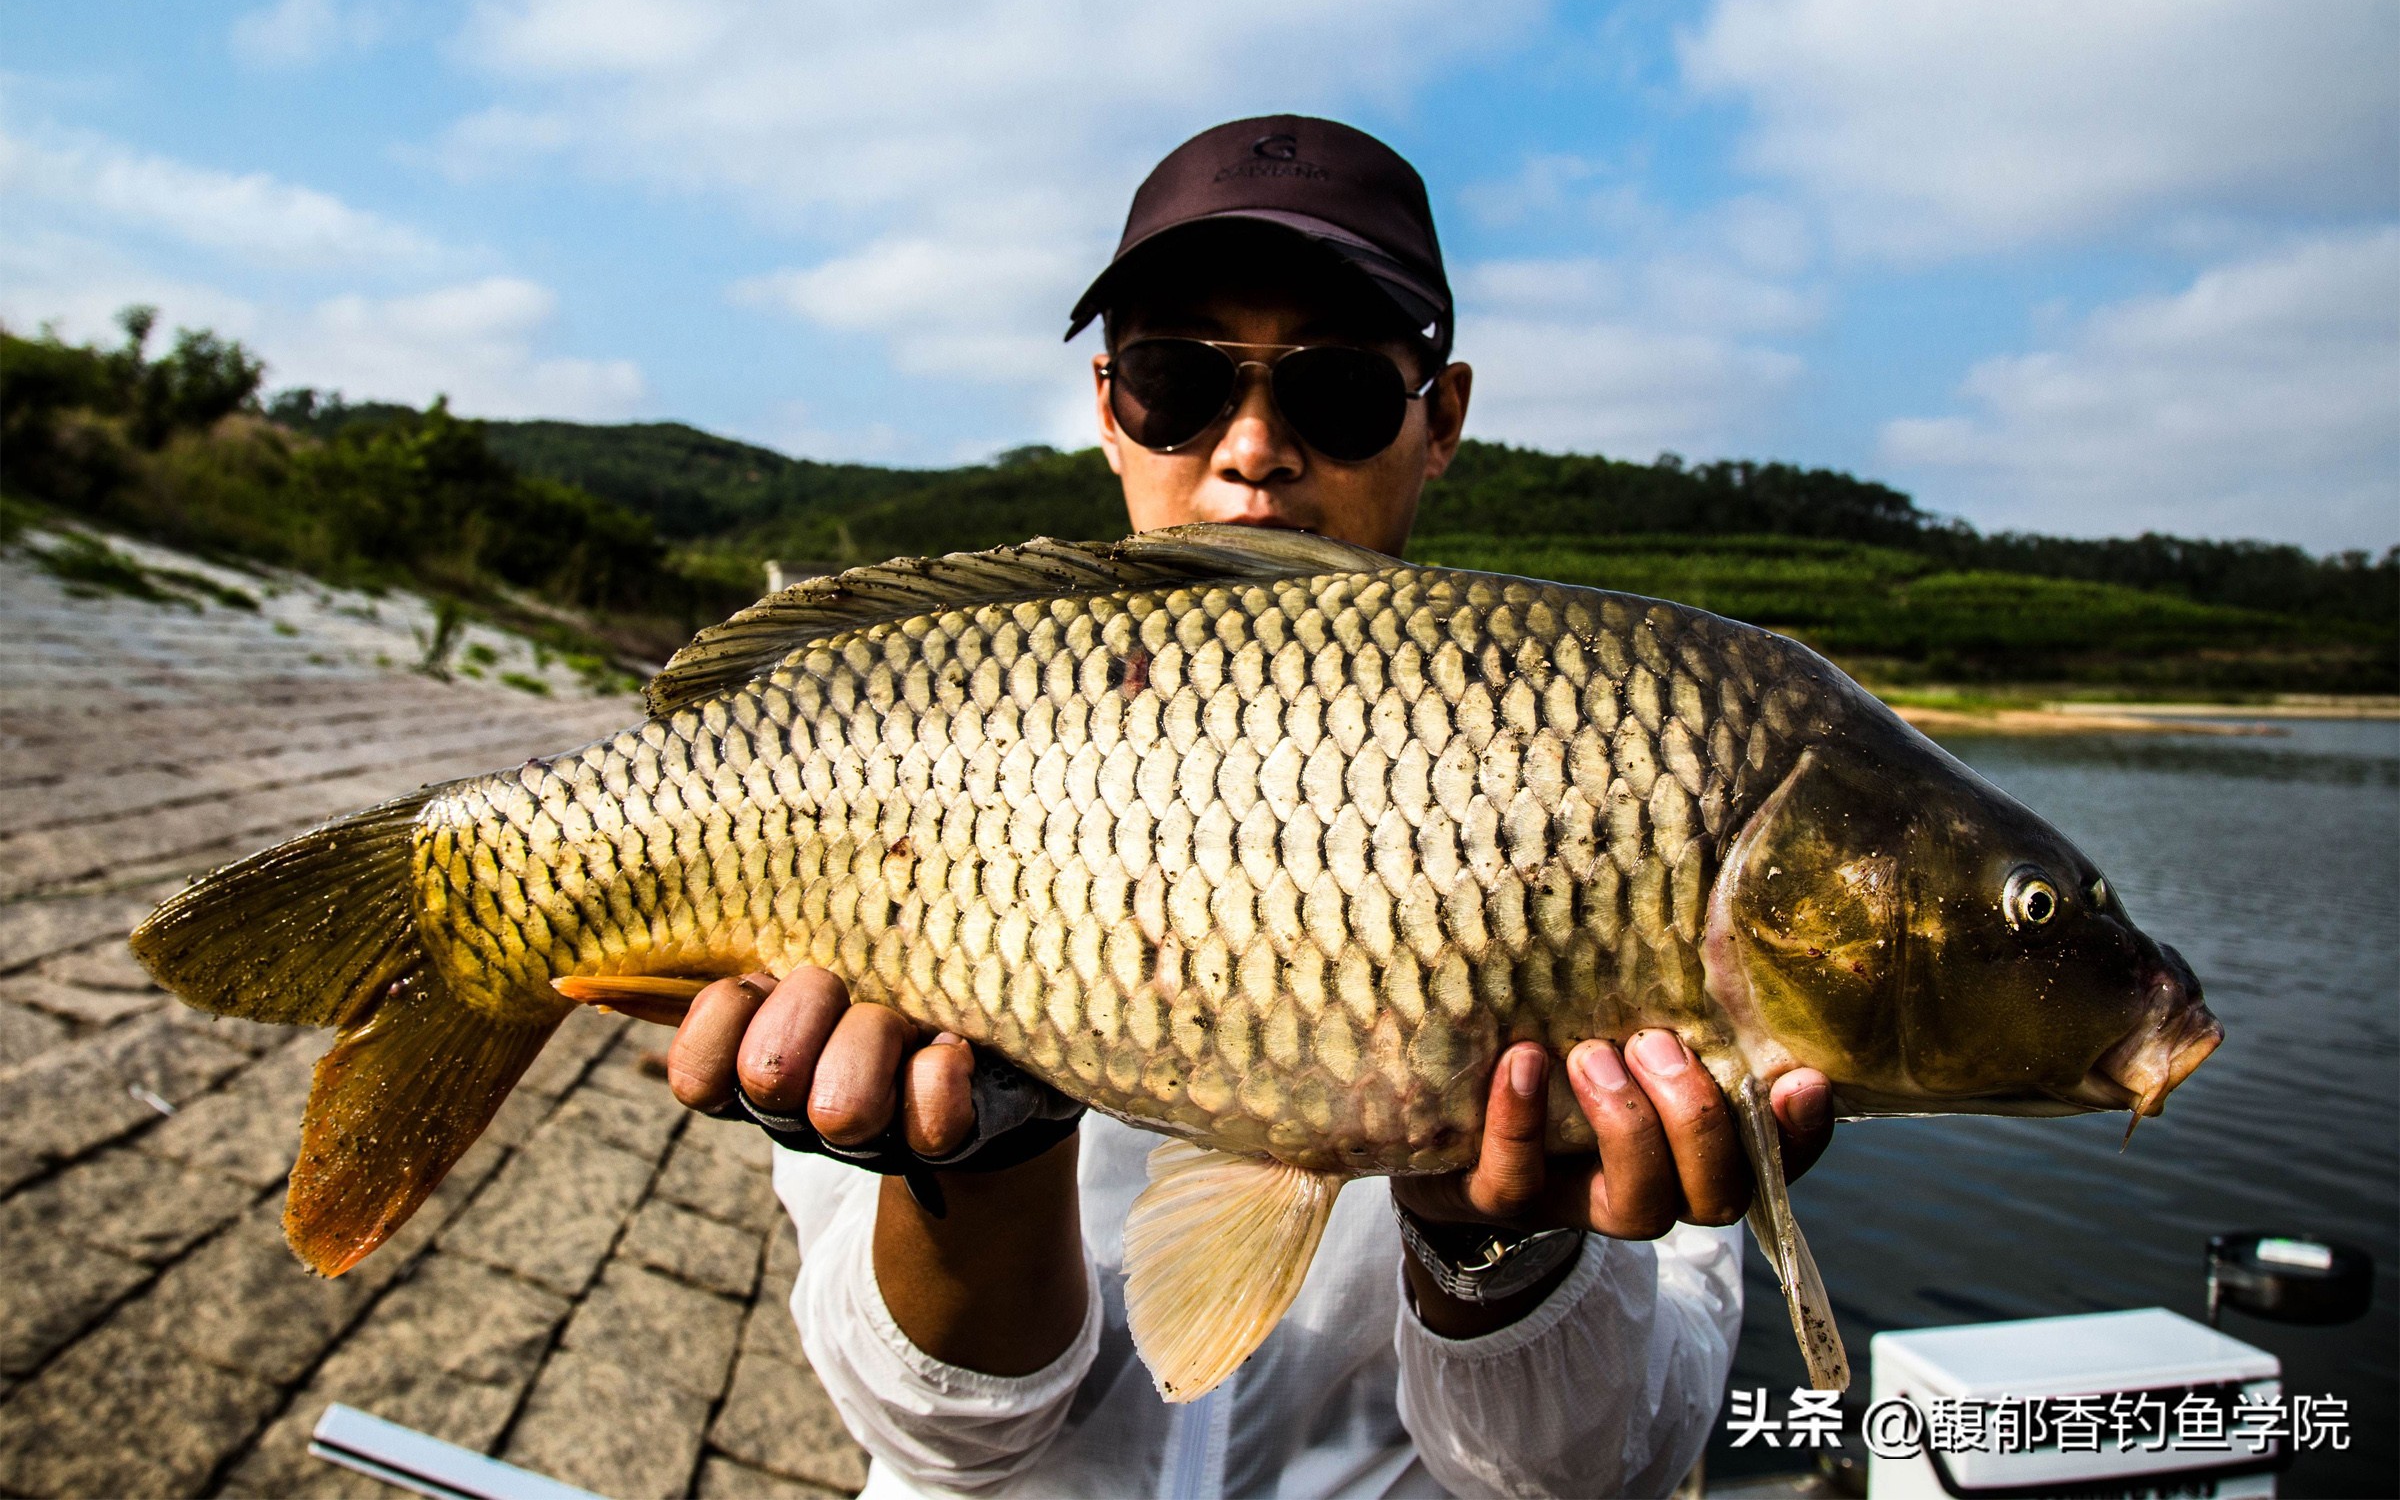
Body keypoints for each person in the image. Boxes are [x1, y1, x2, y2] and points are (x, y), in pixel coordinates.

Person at [666, 116, 1836, 1499]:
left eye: (1336, 391)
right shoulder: (921, 742)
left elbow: (1592, 1477)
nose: (1255, 450)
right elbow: (942, 1444)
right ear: (1110, 407)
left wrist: (1500, 1250)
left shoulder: (1622, 772)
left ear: (1441, 416)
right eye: (1180, 383)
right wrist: (982, 1165)